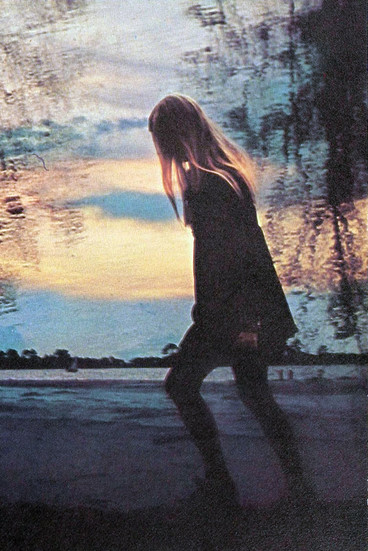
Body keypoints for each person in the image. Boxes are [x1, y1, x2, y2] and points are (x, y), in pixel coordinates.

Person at [148, 94, 312, 508]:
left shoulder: (212, 185)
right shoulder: (217, 179)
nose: (162, 152)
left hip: (235, 312)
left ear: (175, 138)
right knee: (252, 393)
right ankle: (293, 487)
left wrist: (245, 325)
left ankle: (226, 485)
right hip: (237, 309)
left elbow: (239, 256)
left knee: (185, 385)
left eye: (162, 142)